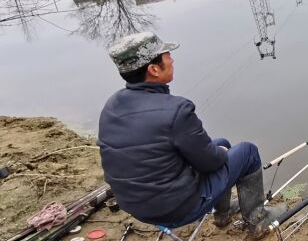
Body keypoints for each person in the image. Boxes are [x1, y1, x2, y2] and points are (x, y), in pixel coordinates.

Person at [97, 32, 285, 238]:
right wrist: (221, 153)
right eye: (167, 56)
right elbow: (210, 163)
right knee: (247, 152)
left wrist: (219, 149)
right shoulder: (176, 110)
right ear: (153, 69)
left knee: (220, 142)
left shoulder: (111, 105)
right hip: (175, 209)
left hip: (135, 206)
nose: (172, 60)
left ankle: (222, 214)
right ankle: (258, 220)